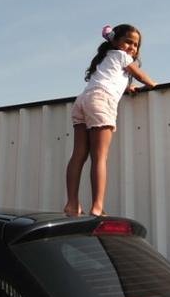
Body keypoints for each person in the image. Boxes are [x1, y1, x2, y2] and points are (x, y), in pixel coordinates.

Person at [64, 24, 157, 217]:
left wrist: (125, 88)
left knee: (78, 155)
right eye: (128, 42)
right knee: (99, 157)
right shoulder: (123, 57)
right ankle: (97, 207)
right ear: (115, 42)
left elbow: (107, 80)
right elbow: (138, 75)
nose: (132, 47)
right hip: (100, 101)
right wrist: (151, 83)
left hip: (82, 101)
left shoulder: (105, 59)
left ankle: (72, 204)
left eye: (136, 45)